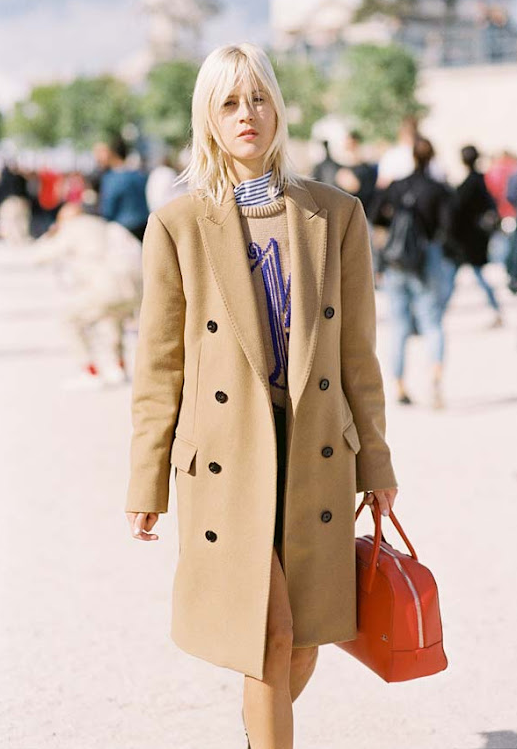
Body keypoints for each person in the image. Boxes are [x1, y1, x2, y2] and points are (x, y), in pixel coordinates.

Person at [124, 43, 398, 749]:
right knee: (270, 633)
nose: (246, 114)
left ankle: (257, 731)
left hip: (315, 450)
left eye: (258, 98)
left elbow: (358, 356)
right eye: (228, 102)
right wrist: (145, 478)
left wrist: (377, 464)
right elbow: (159, 366)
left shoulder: (335, 214)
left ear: (277, 107)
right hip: (226, 458)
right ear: (207, 119)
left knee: (302, 641)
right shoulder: (179, 224)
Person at [371, 137, 453, 409]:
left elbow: (375, 215)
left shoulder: (397, 185)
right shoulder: (438, 189)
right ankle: (435, 377)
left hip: (397, 260)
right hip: (426, 257)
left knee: (398, 324)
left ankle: (398, 384)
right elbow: (447, 226)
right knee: (432, 321)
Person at [32, 202, 142, 389]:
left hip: (105, 288)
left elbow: (39, 256)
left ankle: (90, 371)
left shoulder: (72, 228)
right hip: (135, 288)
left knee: (69, 319)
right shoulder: (109, 225)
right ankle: (119, 367)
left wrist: (50, 234)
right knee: (112, 316)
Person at [441, 145, 503, 326]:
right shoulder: (478, 181)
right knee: (462, 277)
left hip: (468, 239)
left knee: (454, 278)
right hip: (472, 238)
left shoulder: (471, 183)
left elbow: (458, 211)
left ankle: (436, 313)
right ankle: (496, 310)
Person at [98, 135, 149, 241]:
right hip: (144, 224)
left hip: (123, 230)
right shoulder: (139, 174)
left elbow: (108, 209)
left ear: (111, 154)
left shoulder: (112, 178)